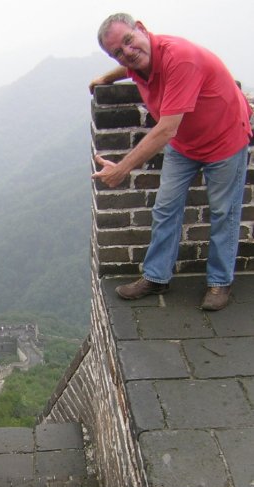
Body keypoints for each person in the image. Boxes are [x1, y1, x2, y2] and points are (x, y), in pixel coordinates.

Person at [90, 13, 252, 310]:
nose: (127, 52)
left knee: (223, 212)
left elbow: (166, 129)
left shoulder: (180, 57)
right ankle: (156, 277)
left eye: (128, 40)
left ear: (141, 29)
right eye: (117, 52)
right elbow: (130, 65)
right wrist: (106, 78)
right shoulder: (139, 62)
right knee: (165, 207)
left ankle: (219, 282)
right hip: (185, 143)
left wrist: (122, 169)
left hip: (225, 139)